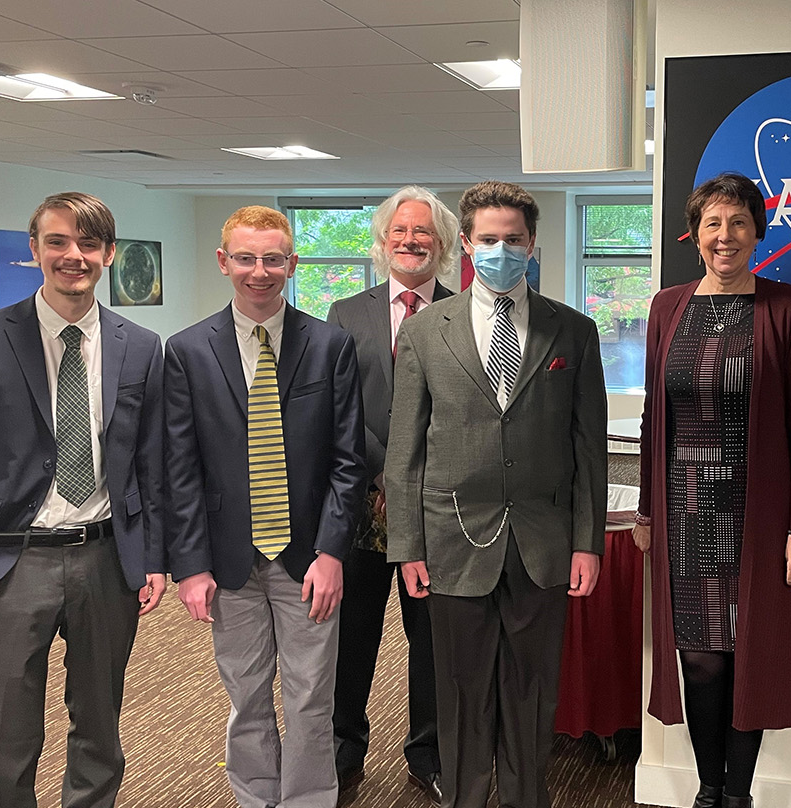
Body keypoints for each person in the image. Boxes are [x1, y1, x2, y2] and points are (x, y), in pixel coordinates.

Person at [0, 191, 166, 808]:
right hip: (13, 563)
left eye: (89, 244)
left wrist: (154, 556)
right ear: (34, 249)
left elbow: (152, 464)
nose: (74, 256)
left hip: (106, 559)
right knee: (8, 731)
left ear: (110, 254)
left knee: (99, 722)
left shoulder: (141, 346)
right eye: (58, 241)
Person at [385, 180, 607, 808]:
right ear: (466, 243)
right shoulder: (428, 330)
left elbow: (587, 448)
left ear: (532, 244)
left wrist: (587, 545)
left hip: (544, 541)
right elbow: (405, 451)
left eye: (513, 240)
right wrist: (407, 546)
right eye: (488, 240)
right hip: (452, 540)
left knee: (533, 693)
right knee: (459, 694)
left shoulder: (574, 331)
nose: (501, 250)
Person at [164, 205, 367, 808]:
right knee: (246, 695)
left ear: (292, 263)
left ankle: (308, 799)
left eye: (273, 258)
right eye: (246, 258)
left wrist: (333, 552)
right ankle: (255, 796)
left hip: (308, 558)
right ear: (224, 261)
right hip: (228, 558)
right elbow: (180, 467)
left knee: (310, 696)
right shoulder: (187, 350)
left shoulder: (330, 345)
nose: (260, 271)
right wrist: (191, 564)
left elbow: (348, 461)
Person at [633, 172, 791, 808]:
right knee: (702, 660)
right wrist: (646, 509)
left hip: (759, 517)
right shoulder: (668, 306)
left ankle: (737, 795)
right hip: (686, 513)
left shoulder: (786, 305)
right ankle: (707, 789)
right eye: (713, 223)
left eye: (738, 222)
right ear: (695, 235)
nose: (725, 236)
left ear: (758, 232)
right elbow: (652, 418)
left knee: (751, 656)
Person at [326, 186, 457, 804]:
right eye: (400, 231)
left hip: (434, 511)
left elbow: (468, 418)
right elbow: (338, 408)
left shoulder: (469, 313)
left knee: (430, 641)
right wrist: (383, 475)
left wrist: (410, 479)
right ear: (382, 242)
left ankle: (427, 753)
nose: (411, 240)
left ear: (444, 244)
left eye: (423, 232)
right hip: (359, 505)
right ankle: (343, 747)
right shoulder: (345, 314)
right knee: (351, 637)